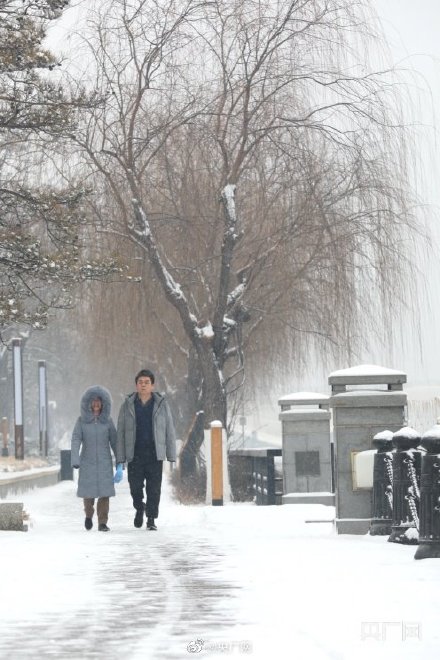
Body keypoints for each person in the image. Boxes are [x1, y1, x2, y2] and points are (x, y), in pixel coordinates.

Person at [115, 369, 176, 530]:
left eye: (146, 382)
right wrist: (120, 458)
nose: (143, 385)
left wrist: (171, 454)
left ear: (152, 385)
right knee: (135, 488)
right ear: (136, 385)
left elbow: (169, 429)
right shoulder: (127, 405)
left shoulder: (161, 405)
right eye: (140, 382)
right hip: (134, 454)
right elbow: (120, 432)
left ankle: (151, 519)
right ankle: (139, 507)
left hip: (155, 454)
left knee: (154, 489)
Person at [71, 385, 118, 532]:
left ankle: (102, 522)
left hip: (104, 463)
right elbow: (76, 440)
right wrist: (75, 459)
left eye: (99, 401)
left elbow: (115, 441)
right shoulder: (81, 421)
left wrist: (120, 461)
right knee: (88, 493)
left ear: (103, 404)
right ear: (88, 403)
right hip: (87, 462)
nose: (96, 404)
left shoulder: (108, 421)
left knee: (104, 494)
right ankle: (88, 515)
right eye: (93, 401)